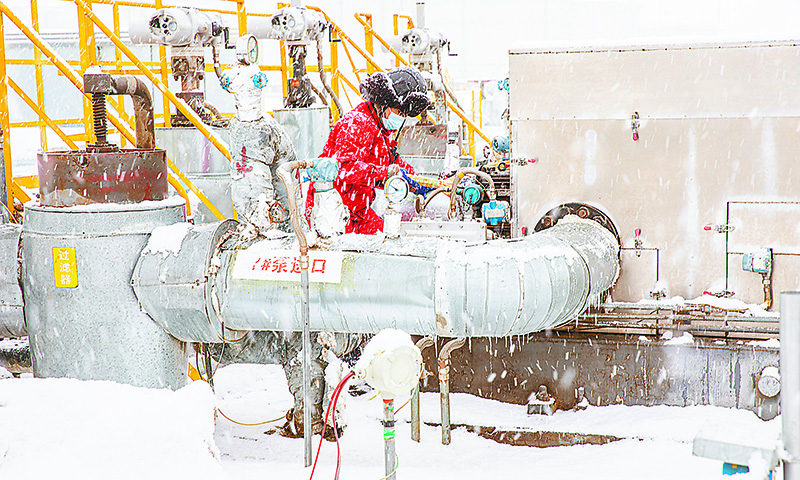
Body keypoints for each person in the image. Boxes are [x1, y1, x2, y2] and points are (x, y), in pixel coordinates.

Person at [305, 66, 432, 235]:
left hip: (357, 212)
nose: (400, 118)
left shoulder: (380, 129)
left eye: (404, 115)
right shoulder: (358, 124)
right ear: (384, 104)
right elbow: (345, 169)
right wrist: (384, 173)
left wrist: (421, 183)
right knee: (394, 238)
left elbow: (391, 162)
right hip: (336, 214)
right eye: (399, 112)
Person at [220, 34, 293, 234]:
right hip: (268, 218)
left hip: (272, 217)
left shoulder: (263, 128)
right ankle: (261, 222)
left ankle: (262, 222)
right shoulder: (247, 129)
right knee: (261, 210)